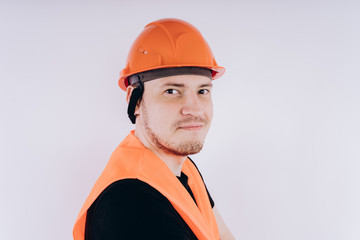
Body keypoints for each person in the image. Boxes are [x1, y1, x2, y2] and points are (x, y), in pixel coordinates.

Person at [73, 18, 234, 240]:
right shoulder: (130, 204)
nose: (194, 109)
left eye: (202, 91)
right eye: (171, 91)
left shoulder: (183, 168)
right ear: (135, 100)